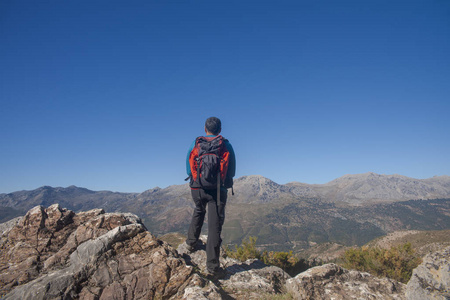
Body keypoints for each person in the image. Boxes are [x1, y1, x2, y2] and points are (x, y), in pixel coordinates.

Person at [185, 117, 236, 277]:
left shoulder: (196, 143)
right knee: (214, 226)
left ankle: (191, 243)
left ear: (205, 128)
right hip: (217, 190)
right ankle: (213, 267)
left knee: (199, 210)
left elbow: (188, 169)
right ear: (220, 129)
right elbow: (232, 171)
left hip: (197, 188)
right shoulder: (226, 145)